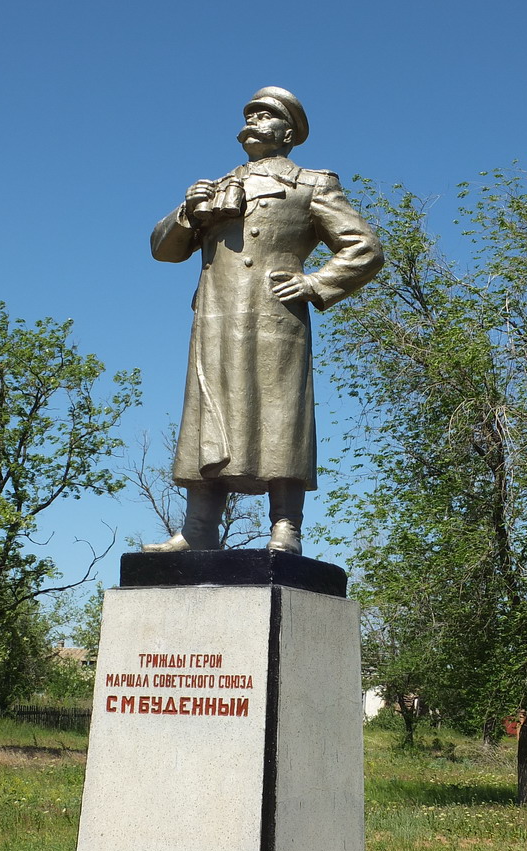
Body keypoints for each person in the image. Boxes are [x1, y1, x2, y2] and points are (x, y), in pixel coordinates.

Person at [144, 87, 383, 555]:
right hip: (215, 318)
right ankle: (198, 529)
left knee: (281, 414)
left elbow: (364, 248)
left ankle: (285, 528)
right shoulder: (214, 186)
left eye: (266, 115)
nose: (253, 119)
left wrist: (315, 284)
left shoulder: (312, 184)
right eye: (250, 113)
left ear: (288, 133)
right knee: (207, 414)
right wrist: (186, 213)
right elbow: (162, 250)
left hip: (275, 318)